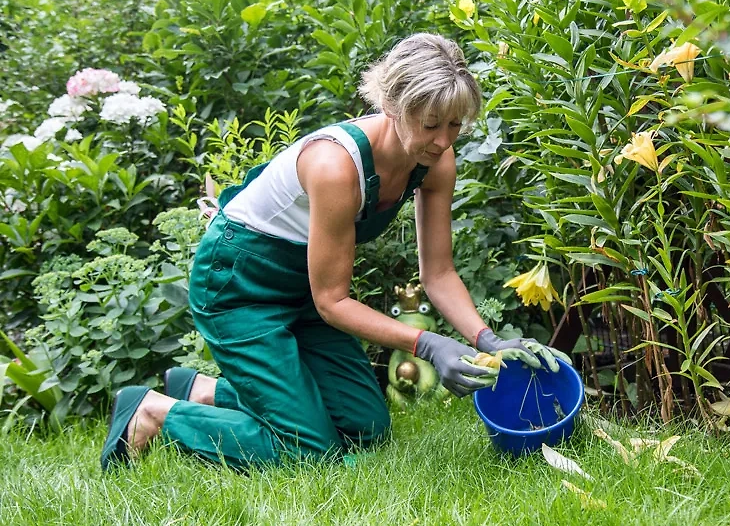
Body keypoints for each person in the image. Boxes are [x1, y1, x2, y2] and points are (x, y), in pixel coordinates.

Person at [100, 33, 571, 471]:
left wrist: (486, 341)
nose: (445, 140)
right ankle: (154, 413)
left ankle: (203, 391)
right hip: (239, 283)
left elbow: (440, 272)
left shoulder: (434, 160)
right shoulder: (335, 166)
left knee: (367, 425)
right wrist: (426, 343)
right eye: (431, 124)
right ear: (392, 105)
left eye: (454, 124)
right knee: (309, 448)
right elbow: (332, 301)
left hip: (303, 288)